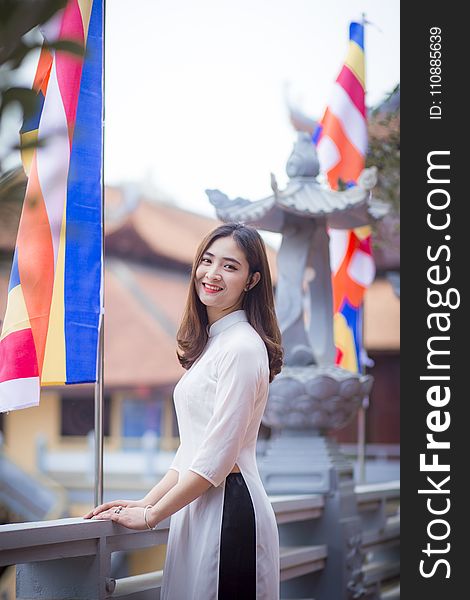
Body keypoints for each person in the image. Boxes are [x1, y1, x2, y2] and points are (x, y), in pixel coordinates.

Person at [85, 223, 283, 599]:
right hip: (199, 504)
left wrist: (152, 516)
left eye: (229, 266)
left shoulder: (242, 348)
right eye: (207, 261)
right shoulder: (214, 345)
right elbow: (192, 450)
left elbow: (218, 458)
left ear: (252, 280)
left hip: (230, 508)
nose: (211, 274)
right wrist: (148, 501)